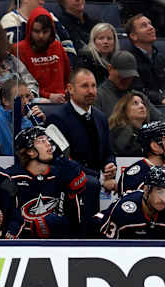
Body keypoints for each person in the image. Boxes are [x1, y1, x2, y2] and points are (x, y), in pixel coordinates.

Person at [46, 68, 117, 214]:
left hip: (94, 185)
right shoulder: (57, 118)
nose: (91, 91)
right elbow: (61, 161)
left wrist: (110, 165)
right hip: (69, 189)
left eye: (93, 86)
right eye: (85, 86)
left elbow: (108, 152)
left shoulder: (101, 117)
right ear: (70, 89)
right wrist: (100, 177)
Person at [7, 126, 87, 238]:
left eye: (48, 140)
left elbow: (74, 218)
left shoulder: (61, 173)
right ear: (30, 151)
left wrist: (69, 163)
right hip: (22, 243)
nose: (48, 144)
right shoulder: (11, 177)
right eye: (41, 141)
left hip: (56, 242)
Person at [90, 166, 165, 239]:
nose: (164, 199)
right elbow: (105, 249)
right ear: (146, 190)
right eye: (159, 191)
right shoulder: (123, 212)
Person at [10, 7, 70, 103]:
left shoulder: (57, 46)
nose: (41, 36)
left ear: (51, 32)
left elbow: (67, 76)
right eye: (36, 31)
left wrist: (67, 92)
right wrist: (48, 96)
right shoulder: (18, 49)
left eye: (45, 32)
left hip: (62, 100)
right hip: (33, 99)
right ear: (30, 30)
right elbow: (19, 84)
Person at [0, 0, 76, 64]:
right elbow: (14, 60)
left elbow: (69, 50)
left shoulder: (52, 18)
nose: (42, 1)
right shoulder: (10, 21)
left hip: (56, 72)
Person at [125, 14, 165, 106]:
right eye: (144, 25)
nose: (151, 28)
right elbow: (136, 90)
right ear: (133, 36)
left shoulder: (160, 57)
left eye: (150, 24)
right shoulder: (129, 59)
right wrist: (161, 98)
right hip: (145, 106)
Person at [0, 79, 46, 155]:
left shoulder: (27, 117)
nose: (25, 101)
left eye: (27, 96)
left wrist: (43, 125)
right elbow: (10, 152)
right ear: (5, 101)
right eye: (20, 98)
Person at [108, 91, 149, 157]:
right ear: (124, 109)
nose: (142, 106)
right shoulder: (120, 130)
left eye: (143, 103)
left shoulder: (147, 131)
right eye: (135, 103)